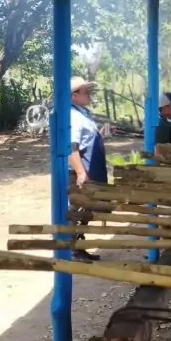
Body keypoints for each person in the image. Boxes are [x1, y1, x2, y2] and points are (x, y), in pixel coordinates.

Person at [67, 76, 108, 261]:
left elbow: (85, 140)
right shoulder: (73, 116)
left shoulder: (82, 113)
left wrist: (101, 135)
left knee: (86, 210)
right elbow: (71, 147)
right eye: (85, 91)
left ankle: (77, 246)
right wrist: (81, 172)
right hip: (82, 172)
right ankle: (73, 249)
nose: (89, 94)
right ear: (74, 95)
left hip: (90, 170)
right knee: (76, 211)